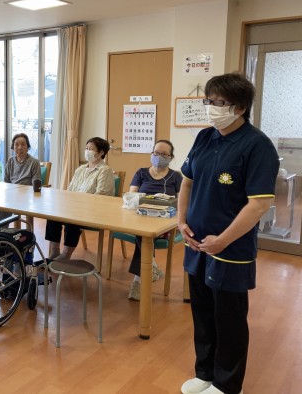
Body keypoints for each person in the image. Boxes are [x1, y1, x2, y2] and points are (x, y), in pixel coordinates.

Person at [178, 73, 279, 394]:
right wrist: (181, 222)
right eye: (208, 101)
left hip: (230, 249)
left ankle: (227, 384)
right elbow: (187, 182)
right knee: (202, 312)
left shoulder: (257, 145)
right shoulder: (205, 137)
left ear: (240, 108)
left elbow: (259, 204)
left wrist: (222, 240)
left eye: (218, 102)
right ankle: (205, 373)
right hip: (196, 242)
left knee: (229, 318)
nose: (211, 107)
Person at [126, 139, 183, 301]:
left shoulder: (175, 176)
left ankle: (138, 280)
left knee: (143, 234)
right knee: (142, 231)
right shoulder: (141, 173)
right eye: (156, 153)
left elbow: (182, 202)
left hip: (165, 221)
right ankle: (151, 266)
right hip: (141, 216)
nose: (159, 157)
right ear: (151, 153)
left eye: (164, 154)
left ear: (171, 157)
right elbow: (132, 196)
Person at [46, 137, 114, 260]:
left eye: (91, 149)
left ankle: (66, 255)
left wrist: (79, 205)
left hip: (93, 209)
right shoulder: (81, 169)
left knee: (72, 219)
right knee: (53, 216)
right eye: (86, 148)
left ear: (101, 152)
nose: (87, 151)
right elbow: (70, 189)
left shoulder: (105, 170)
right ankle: (54, 252)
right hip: (75, 206)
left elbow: (101, 196)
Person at [0, 132, 40, 222]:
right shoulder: (10, 161)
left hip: (26, 196)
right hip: (11, 193)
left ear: (28, 147)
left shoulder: (34, 162)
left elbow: (36, 183)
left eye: (23, 144)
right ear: (13, 147)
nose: (20, 147)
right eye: (16, 145)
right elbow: (6, 181)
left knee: (6, 205)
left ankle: (0, 229)